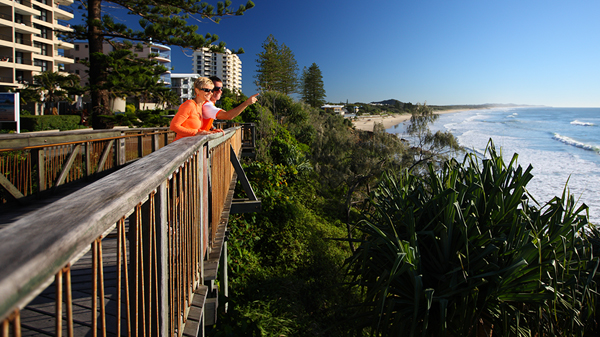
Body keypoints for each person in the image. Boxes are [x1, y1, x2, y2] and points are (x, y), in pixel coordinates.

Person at [170, 77, 214, 141]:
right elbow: (174, 126)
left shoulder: (201, 106)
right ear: (197, 91)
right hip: (181, 147)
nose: (210, 93)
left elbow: (194, 128)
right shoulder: (189, 105)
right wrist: (196, 133)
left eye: (212, 90)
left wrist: (212, 130)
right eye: (206, 90)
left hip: (190, 146)